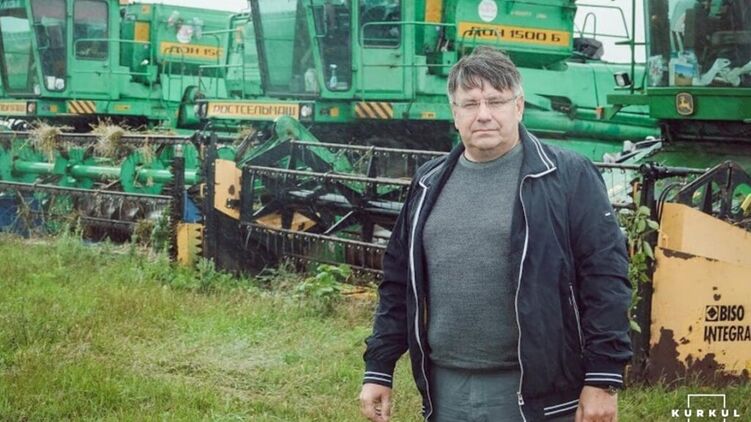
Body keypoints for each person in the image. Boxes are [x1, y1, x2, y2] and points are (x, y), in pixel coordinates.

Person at [358, 47, 632, 422]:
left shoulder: (566, 176)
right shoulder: (428, 182)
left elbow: (605, 277)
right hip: (446, 389)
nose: (483, 114)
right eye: (470, 103)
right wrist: (379, 367)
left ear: (518, 106)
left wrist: (603, 377)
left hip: (537, 391)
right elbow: (398, 282)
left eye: (496, 101)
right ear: (454, 112)